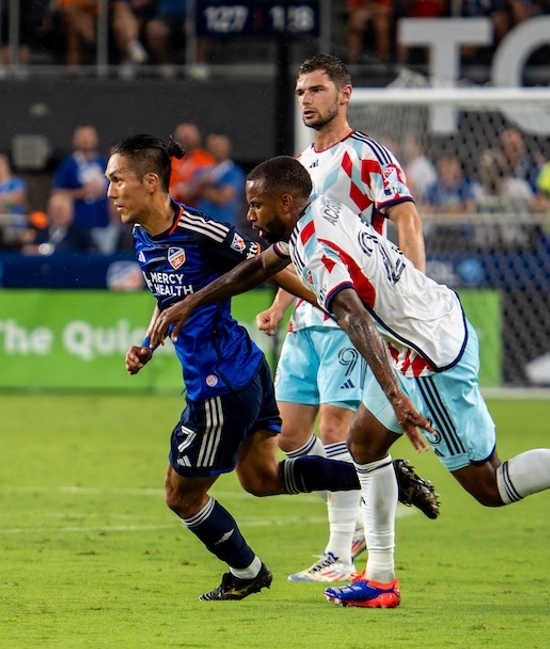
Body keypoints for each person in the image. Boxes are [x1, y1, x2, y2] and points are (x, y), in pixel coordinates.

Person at [151, 155, 550, 609]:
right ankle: (380, 580)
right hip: (425, 331)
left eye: (257, 204)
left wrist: (397, 396)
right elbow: (261, 266)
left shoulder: (318, 246)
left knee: (490, 486)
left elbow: (354, 318)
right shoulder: (316, 215)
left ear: (286, 205)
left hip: (430, 357)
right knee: (362, 443)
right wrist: (188, 305)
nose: (249, 213)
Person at [109, 134, 440, 603]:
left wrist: (331, 307)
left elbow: (273, 266)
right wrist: (148, 342)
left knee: (180, 495)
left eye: (117, 179)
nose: (110, 191)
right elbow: (170, 299)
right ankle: (384, 476)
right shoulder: (143, 234)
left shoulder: (203, 231)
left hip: (220, 383)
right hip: (242, 371)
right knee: (260, 478)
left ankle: (247, 572)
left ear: (149, 182)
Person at [259, 53, 427, 585]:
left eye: (316, 90)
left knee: (336, 428)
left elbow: (407, 219)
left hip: (352, 315)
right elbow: (295, 247)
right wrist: (280, 305)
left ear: (344, 94)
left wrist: (412, 298)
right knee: (288, 436)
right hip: (307, 317)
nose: (306, 100)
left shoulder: (369, 156)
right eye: (301, 92)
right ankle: (369, 493)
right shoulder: (299, 167)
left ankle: (339, 551)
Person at [50, 124, 118, 255]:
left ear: (95, 139)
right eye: (82, 137)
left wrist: (115, 221)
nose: (86, 140)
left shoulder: (104, 162)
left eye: (89, 136)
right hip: (77, 224)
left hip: (103, 222)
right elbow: (58, 194)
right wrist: (83, 192)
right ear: (75, 140)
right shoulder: (68, 164)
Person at [193, 132, 246, 227]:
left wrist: (202, 189)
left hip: (225, 226)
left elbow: (223, 197)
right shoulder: (201, 170)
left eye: (220, 145)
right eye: (213, 145)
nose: (217, 149)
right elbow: (188, 195)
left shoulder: (235, 172)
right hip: (202, 227)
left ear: (228, 147)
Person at [167, 122, 215, 207]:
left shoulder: (206, 160)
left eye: (189, 138)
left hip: (196, 209)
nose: (186, 141)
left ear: (197, 139)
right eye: (183, 138)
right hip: (169, 205)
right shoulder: (168, 159)